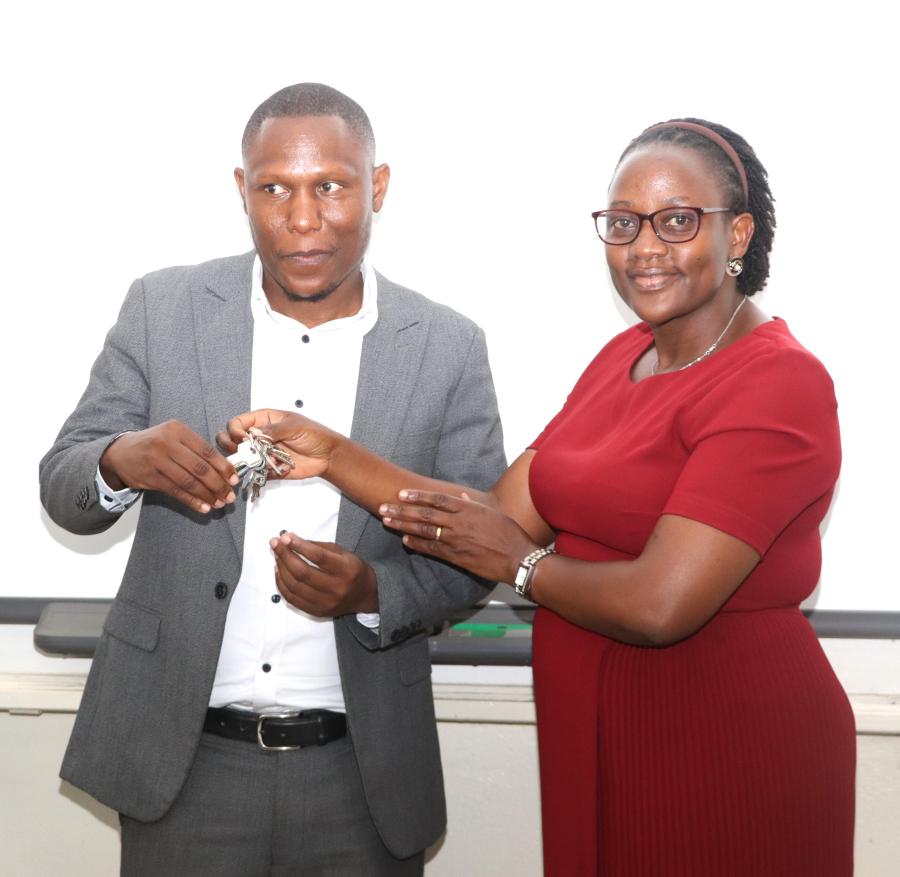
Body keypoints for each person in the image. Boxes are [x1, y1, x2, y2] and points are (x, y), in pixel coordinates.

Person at [223, 119, 855, 876]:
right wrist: (333, 455)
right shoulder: (626, 358)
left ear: (740, 233)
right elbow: (494, 513)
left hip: (723, 735)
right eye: (622, 223)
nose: (644, 247)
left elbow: (661, 604)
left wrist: (522, 569)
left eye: (677, 221)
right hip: (597, 724)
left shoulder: (777, 380)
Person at [39, 83, 506, 876]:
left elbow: (474, 556)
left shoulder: (448, 345)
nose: (301, 219)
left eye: (330, 185)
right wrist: (120, 462)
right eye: (274, 189)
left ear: (378, 186)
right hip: (182, 764)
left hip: (361, 773)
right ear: (241, 190)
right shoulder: (163, 307)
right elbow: (64, 484)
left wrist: (370, 592)